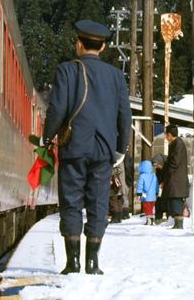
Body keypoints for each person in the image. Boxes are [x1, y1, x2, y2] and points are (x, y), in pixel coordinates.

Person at [42, 19, 132, 275]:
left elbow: (57, 109)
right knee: (98, 203)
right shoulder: (116, 76)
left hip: (74, 147)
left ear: (79, 44)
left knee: (71, 202)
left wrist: (47, 138)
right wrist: (120, 149)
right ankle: (93, 263)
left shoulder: (66, 71)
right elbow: (125, 116)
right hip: (103, 150)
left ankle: (73, 263)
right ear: (102, 47)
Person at [162, 124, 191, 229]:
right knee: (174, 201)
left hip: (176, 179)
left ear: (170, 135)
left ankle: (179, 225)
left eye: (166, 134)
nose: (166, 137)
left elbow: (174, 162)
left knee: (176, 201)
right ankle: (177, 223)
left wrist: (167, 173)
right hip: (175, 179)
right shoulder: (176, 144)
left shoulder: (178, 144)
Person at [135, 158, 159, 225]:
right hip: (153, 196)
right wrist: (156, 192)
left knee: (147, 208)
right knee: (151, 208)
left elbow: (140, 186)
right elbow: (156, 185)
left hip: (145, 195)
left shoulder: (142, 176)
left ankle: (149, 221)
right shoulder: (154, 176)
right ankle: (151, 220)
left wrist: (139, 193)